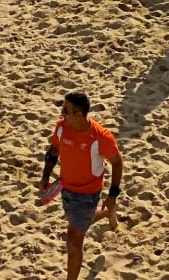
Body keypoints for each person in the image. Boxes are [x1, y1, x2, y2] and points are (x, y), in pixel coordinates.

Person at [39, 91, 123, 280]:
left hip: (87, 194)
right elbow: (54, 150)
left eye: (65, 110)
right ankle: (108, 212)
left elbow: (117, 162)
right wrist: (45, 176)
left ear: (78, 115)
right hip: (66, 189)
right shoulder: (62, 127)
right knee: (79, 224)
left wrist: (112, 195)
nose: (61, 113)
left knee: (74, 241)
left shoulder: (100, 137)